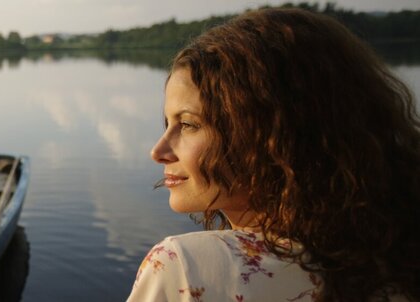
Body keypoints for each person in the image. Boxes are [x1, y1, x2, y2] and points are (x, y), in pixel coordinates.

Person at [128, 7, 420, 302]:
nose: (159, 151)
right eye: (168, 124)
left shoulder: (187, 268)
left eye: (189, 124)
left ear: (271, 135)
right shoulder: (394, 265)